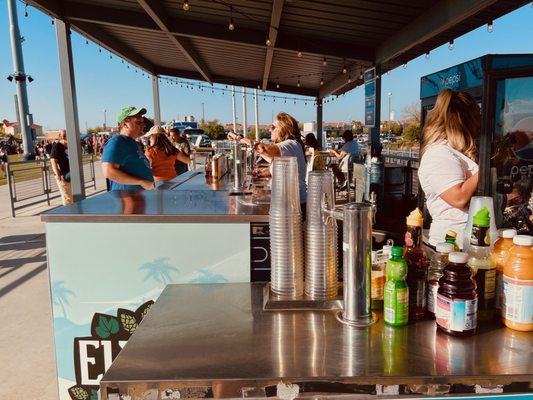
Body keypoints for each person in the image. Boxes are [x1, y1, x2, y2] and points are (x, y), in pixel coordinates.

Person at [417, 89, 480, 247]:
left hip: (468, 242)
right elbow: (458, 198)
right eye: (477, 114)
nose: (480, 120)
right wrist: (488, 167)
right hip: (451, 247)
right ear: (462, 119)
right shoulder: (438, 153)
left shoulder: (455, 151)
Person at [249, 112, 307, 206]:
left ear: (283, 128)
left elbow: (263, 149)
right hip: (291, 201)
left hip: (295, 204)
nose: (269, 129)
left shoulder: (290, 144)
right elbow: (278, 164)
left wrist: (239, 138)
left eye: (273, 127)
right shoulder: (289, 146)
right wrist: (264, 172)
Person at [102, 107, 155, 190]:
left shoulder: (133, 143)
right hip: (126, 198)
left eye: (142, 122)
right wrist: (141, 182)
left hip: (139, 198)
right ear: (125, 124)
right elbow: (108, 171)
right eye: (138, 122)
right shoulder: (117, 141)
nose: (143, 125)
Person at [50, 131, 73, 205]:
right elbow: (53, 160)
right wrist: (57, 174)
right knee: (67, 197)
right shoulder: (57, 146)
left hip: (70, 174)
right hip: (63, 175)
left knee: (72, 196)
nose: (65, 137)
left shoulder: (70, 146)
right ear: (61, 137)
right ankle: (69, 214)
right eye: (63, 136)